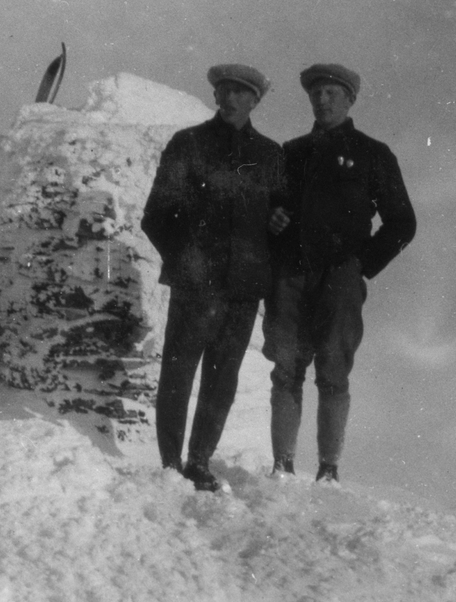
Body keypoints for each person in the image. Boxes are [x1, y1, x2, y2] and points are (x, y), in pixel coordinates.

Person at [264, 63, 417, 484]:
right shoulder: (289, 153)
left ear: (350, 100)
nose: (323, 100)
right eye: (317, 93)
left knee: (333, 368)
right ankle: (283, 465)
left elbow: (403, 223)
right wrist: (271, 219)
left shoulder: (373, 154)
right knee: (286, 368)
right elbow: (268, 209)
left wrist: (360, 265)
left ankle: (329, 469)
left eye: (333, 93)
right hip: (291, 274)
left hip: (340, 278)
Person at [142, 64, 286, 491]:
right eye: (222, 90)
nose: (227, 98)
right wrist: (187, 262)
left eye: (238, 93)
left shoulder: (270, 155)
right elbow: (156, 215)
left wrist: (278, 222)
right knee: (178, 372)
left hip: (243, 289)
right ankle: (170, 463)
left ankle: (199, 462)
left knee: (223, 378)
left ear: (254, 101)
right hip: (196, 283)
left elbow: (280, 216)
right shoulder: (188, 144)